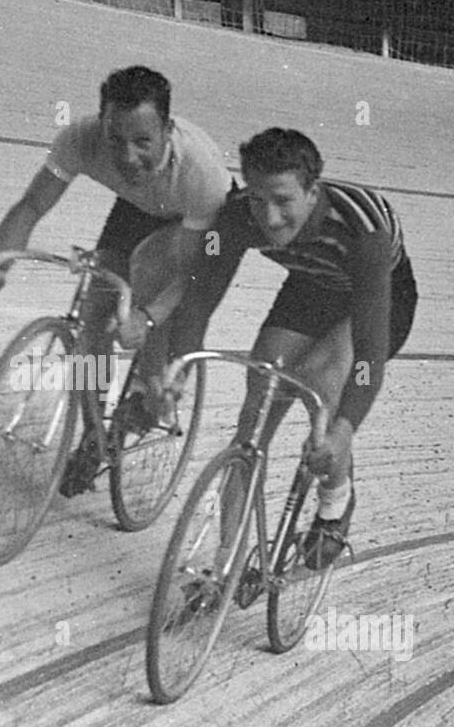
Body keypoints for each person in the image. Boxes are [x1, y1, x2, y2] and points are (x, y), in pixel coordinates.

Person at [0, 66, 233, 495]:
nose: (127, 157)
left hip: (197, 223)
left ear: (167, 129)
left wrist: (147, 319)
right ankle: (96, 436)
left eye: (142, 142)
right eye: (116, 140)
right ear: (101, 124)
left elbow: (199, 273)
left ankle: (152, 396)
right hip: (139, 205)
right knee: (96, 315)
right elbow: (32, 206)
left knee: (149, 278)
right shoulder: (80, 139)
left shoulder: (201, 172)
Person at [175, 128, 418, 571]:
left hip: (377, 294)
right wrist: (176, 370)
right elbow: (199, 298)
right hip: (313, 284)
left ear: (313, 192)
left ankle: (334, 502)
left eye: (284, 201)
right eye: (257, 199)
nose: (268, 218)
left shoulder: (363, 231)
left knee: (326, 385)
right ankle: (223, 566)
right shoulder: (236, 218)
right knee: (259, 396)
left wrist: (344, 429)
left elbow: (366, 360)